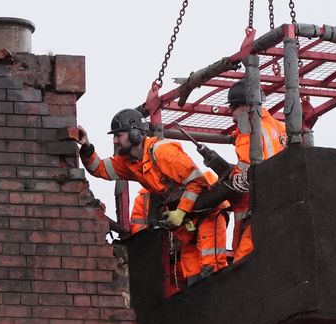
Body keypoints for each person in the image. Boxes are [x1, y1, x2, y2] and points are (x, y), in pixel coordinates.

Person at [77, 108, 228, 287]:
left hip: (208, 212)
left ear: (134, 133)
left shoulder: (163, 153)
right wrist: (86, 146)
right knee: (192, 274)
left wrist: (180, 212)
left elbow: (197, 182)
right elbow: (99, 168)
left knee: (212, 267)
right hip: (188, 219)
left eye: (119, 135)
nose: (115, 140)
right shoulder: (129, 162)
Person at [227, 79, 287, 261]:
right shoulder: (281, 127)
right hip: (283, 205)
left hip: (261, 206)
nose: (232, 116)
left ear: (243, 105)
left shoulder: (248, 129)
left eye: (233, 108)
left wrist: (232, 180)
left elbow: (245, 169)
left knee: (242, 265)